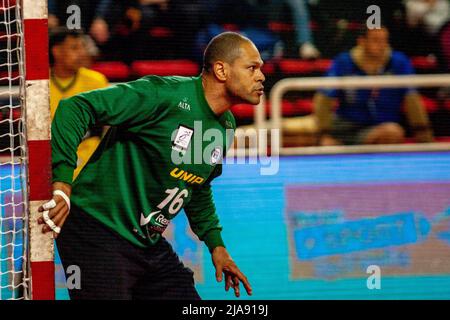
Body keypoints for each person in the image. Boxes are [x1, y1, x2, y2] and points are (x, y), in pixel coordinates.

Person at [38, 32, 264, 299]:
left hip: (146, 241)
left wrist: (216, 245)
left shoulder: (225, 124)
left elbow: (197, 186)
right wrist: (63, 183)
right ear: (221, 70)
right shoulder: (162, 94)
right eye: (252, 67)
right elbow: (75, 107)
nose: (261, 76)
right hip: (95, 228)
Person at [313, 26, 434, 145]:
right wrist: (324, 133)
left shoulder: (399, 62)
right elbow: (324, 98)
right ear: (362, 42)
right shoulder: (344, 62)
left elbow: (412, 98)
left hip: (381, 128)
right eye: (376, 40)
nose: (382, 45)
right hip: (346, 128)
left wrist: (423, 132)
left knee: (392, 132)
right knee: (324, 144)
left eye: (384, 40)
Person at [50, 27, 109, 179]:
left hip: (90, 157)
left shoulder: (96, 81)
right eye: (74, 48)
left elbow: (108, 127)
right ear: (56, 51)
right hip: (52, 156)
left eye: (83, 47)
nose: (82, 53)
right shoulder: (40, 84)